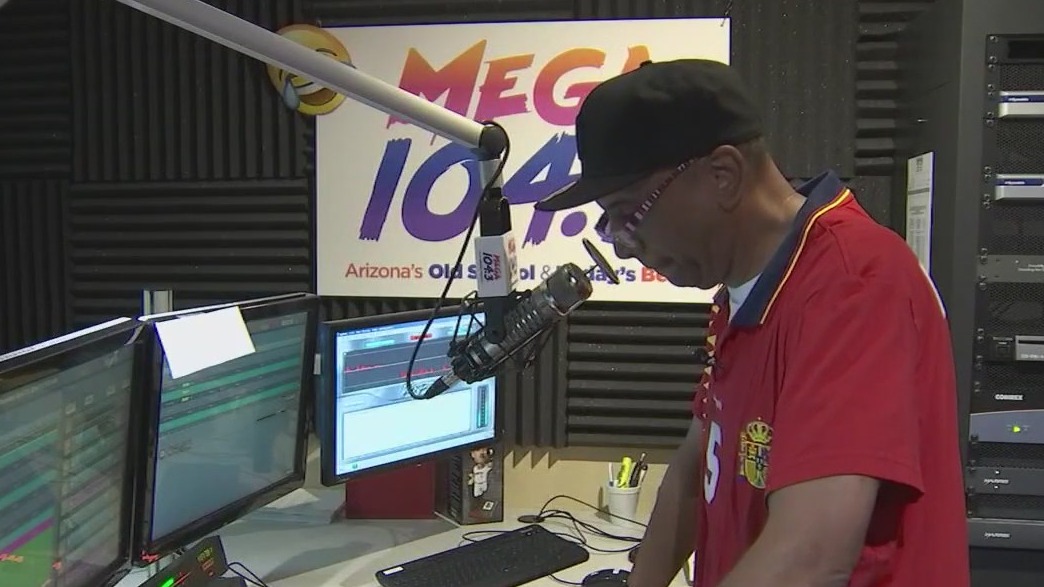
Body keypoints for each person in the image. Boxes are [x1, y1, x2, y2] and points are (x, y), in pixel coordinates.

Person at [534, 59, 969, 587]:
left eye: (630, 214)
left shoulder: (853, 281)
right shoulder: (742, 292)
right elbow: (696, 470)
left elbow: (810, 556)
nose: (624, 247)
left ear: (723, 175)